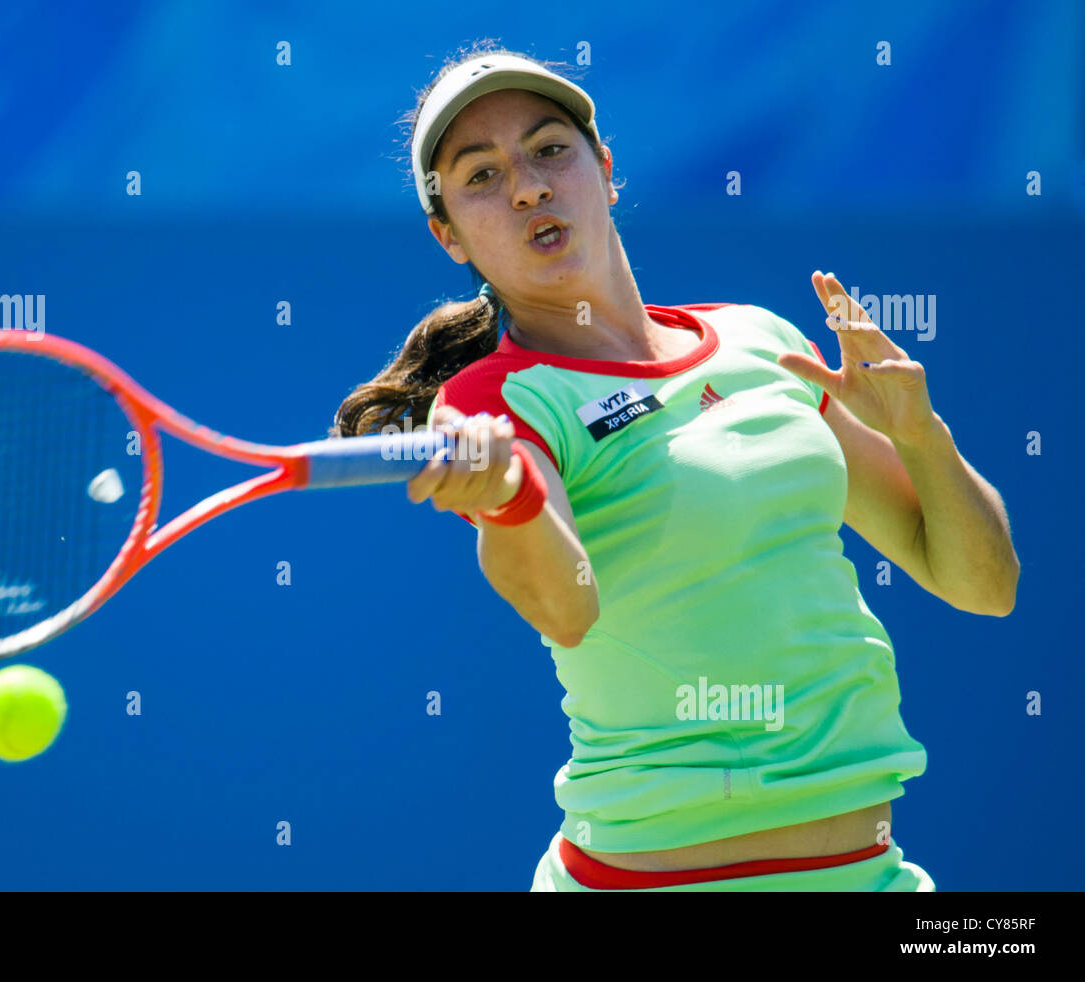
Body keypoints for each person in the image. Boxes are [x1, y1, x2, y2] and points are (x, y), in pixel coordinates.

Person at [332, 44, 1020, 891]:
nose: (527, 187)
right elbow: (566, 604)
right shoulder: (496, 400)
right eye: (480, 176)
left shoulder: (762, 340)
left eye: (550, 149)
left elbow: (984, 585)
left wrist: (923, 436)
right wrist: (508, 502)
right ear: (449, 236)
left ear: (605, 169)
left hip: (871, 875)